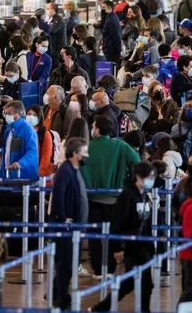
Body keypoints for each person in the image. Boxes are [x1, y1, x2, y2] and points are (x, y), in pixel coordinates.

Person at [91, 162, 157, 312]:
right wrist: (118, 247)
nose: (152, 180)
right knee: (145, 283)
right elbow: (117, 223)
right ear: (139, 177)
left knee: (128, 284)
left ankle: (100, 308)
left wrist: (151, 246)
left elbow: (146, 224)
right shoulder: (127, 196)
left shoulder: (144, 196)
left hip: (142, 245)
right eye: (150, 176)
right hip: (131, 245)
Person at [82, 115, 140, 278]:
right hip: (116, 197)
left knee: (95, 235)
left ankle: (98, 269)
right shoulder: (121, 146)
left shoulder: (87, 147)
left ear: (97, 129)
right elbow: (136, 161)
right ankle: (110, 268)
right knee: (113, 233)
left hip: (92, 197)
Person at [49, 138, 89, 310]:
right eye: (84, 152)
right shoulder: (65, 171)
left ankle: (55, 293)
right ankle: (61, 297)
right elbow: (58, 196)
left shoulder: (73, 170)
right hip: (65, 226)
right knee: (65, 263)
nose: (86, 155)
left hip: (74, 225)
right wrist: (62, 218)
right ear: (75, 154)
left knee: (69, 262)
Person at [0, 100, 39, 179]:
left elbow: (32, 151)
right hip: (8, 175)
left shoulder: (28, 130)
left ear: (18, 114)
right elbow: (6, 153)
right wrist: (1, 173)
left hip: (24, 176)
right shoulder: (9, 129)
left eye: (9, 113)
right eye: (5, 113)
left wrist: (20, 163)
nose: (6, 116)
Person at [26, 105, 56, 183]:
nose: (31, 117)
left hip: (42, 179)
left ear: (39, 118)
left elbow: (46, 157)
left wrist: (39, 174)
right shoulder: (24, 133)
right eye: (29, 114)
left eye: (35, 115)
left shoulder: (44, 134)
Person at [26, 36, 53, 100]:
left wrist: (36, 84)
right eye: (43, 46)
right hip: (27, 84)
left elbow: (45, 75)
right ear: (37, 45)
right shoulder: (28, 55)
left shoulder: (48, 59)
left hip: (40, 86)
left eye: (46, 47)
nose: (45, 48)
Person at [102, 0, 124, 64]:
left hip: (111, 49)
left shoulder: (111, 19)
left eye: (104, 7)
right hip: (109, 46)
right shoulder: (110, 17)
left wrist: (118, 49)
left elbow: (115, 35)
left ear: (109, 8)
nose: (102, 9)